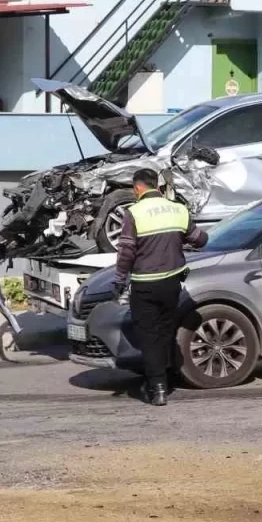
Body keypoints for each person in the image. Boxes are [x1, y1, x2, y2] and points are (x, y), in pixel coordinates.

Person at [112, 169, 208, 406]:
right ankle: (164, 378)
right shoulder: (178, 209)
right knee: (165, 332)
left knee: (148, 336)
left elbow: (126, 251)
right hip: (172, 283)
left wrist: (119, 279)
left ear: (137, 188)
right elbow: (199, 239)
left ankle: (158, 387)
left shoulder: (133, 213)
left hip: (145, 285)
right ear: (157, 186)